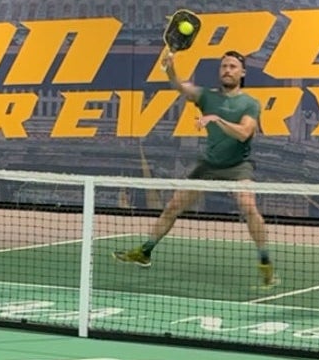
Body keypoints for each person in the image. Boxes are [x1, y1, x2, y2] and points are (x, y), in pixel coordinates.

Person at [114, 48, 275, 286]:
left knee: (248, 207)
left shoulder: (249, 103)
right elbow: (180, 86)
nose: (227, 70)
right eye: (224, 66)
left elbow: (244, 133)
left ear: (242, 73)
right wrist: (170, 69)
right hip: (209, 164)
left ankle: (265, 262)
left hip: (238, 165)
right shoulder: (207, 97)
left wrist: (216, 119)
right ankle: (145, 251)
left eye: (232, 67)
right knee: (173, 206)